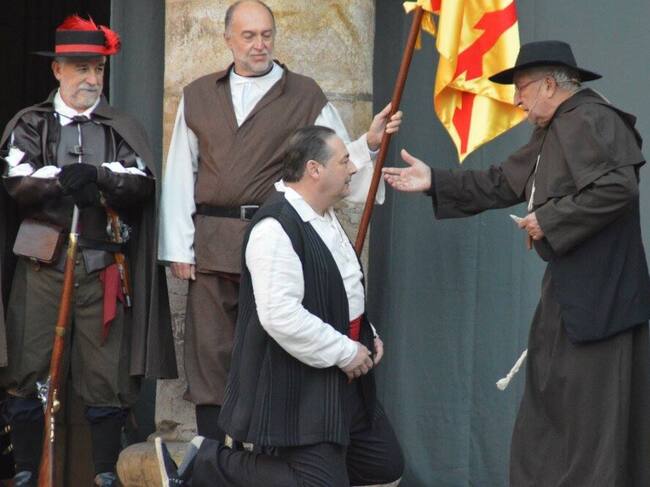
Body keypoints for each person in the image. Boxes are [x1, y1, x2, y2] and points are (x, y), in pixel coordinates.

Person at [383, 40, 650, 486]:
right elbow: (502, 182)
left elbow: (618, 188)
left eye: (522, 88)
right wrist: (434, 181)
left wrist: (549, 219)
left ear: (549, 85)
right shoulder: (556, 126)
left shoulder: (590, 118)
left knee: (590, 422)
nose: (517, 100)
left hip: (603, 299)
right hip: (572, 292)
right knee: (552, 414)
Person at [158, 0, 402, 441]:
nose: (259, 44)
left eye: (266, 35)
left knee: (273, 352)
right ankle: (213, 456)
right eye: (249, 36)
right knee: (211, 354)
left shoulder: (304, 94)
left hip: (279, 238)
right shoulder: (199, 94)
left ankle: (267, 454)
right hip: (213, 243)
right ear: (228, 39)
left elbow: (333, 159)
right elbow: (180, 171)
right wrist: (180, 247)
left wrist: (367, 144)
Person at [156, 126, 404, 487]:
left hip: (345, 377)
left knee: (384, 465)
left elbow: (341, 288)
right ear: (314, 170)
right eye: (344, 161)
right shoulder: (275, 228)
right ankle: (207, 463)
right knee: (321, 484)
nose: (352, 168)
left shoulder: (322, 214)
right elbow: (281, 316)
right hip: (297, 385)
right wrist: (347, 351)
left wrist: (367, 333)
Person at [0, 16, 176, 487]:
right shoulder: (31, 123)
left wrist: (99, 176)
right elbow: (17, 178)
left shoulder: (121, 127)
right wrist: (63, 180)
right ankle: (25, 471)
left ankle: (104, 473)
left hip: (102, 267)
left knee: (106, 376)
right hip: (41, 266)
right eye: (81, 68)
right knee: (28, 367)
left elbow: (140, 180)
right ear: (57, 70)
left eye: (98, 69)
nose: (92, 79)